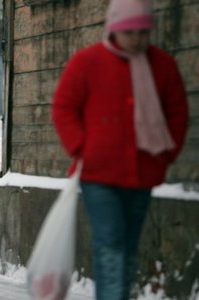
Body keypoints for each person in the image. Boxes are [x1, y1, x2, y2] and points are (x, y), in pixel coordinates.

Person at [52, 0, 189, 299]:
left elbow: (177, 112)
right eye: (130, 32)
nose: (137, 39)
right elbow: (64, 107)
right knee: (110, 242)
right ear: (114, 30)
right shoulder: (87, 62)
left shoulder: (161, 64)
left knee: (127, 246)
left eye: (143, 32)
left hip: (142, 174)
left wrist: (165, 155)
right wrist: (81, 147)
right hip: (97, 175)